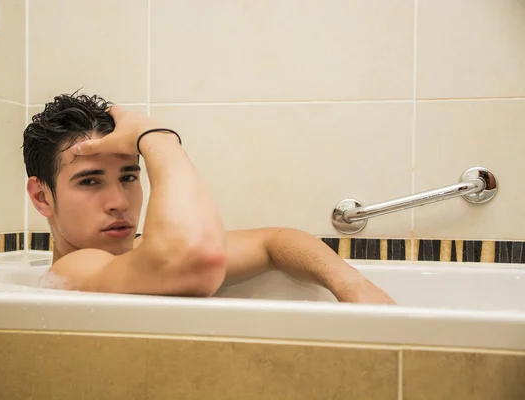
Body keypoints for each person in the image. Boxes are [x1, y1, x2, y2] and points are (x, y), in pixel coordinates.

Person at [23, 93, 395, 304]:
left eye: (129, 176)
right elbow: (198, 259)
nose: (118, 201)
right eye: (90, 181)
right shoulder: (72, 272)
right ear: (43, 197)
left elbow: (276, 240)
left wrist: (352, 285)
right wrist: (156, 137)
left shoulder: (137, 254)